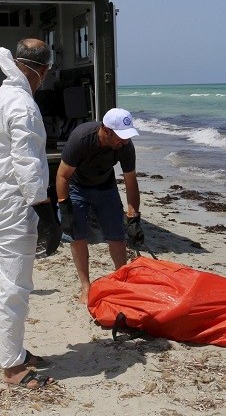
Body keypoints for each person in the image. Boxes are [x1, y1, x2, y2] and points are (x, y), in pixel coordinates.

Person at [0, 39, 61, 389]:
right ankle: (12, 367)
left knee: (6, 280)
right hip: (12, 200)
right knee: (14, 284)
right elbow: (25, 162)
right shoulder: (23, 105)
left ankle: (13, 351)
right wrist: (46, 210)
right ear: (41, 71)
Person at [55, 107, 143, 304]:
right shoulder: (81, 139)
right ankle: (85, 285)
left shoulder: (125, 146)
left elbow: (130, 181)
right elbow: (62, 175)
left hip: (105, 187)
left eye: (127, 136)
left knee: (117, 235)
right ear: (106, 130)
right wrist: (64, 207)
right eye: (121, 136)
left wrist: (133, 216)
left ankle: (121, 281)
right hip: (77, 187)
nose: (125, 141)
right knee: (78, 235)